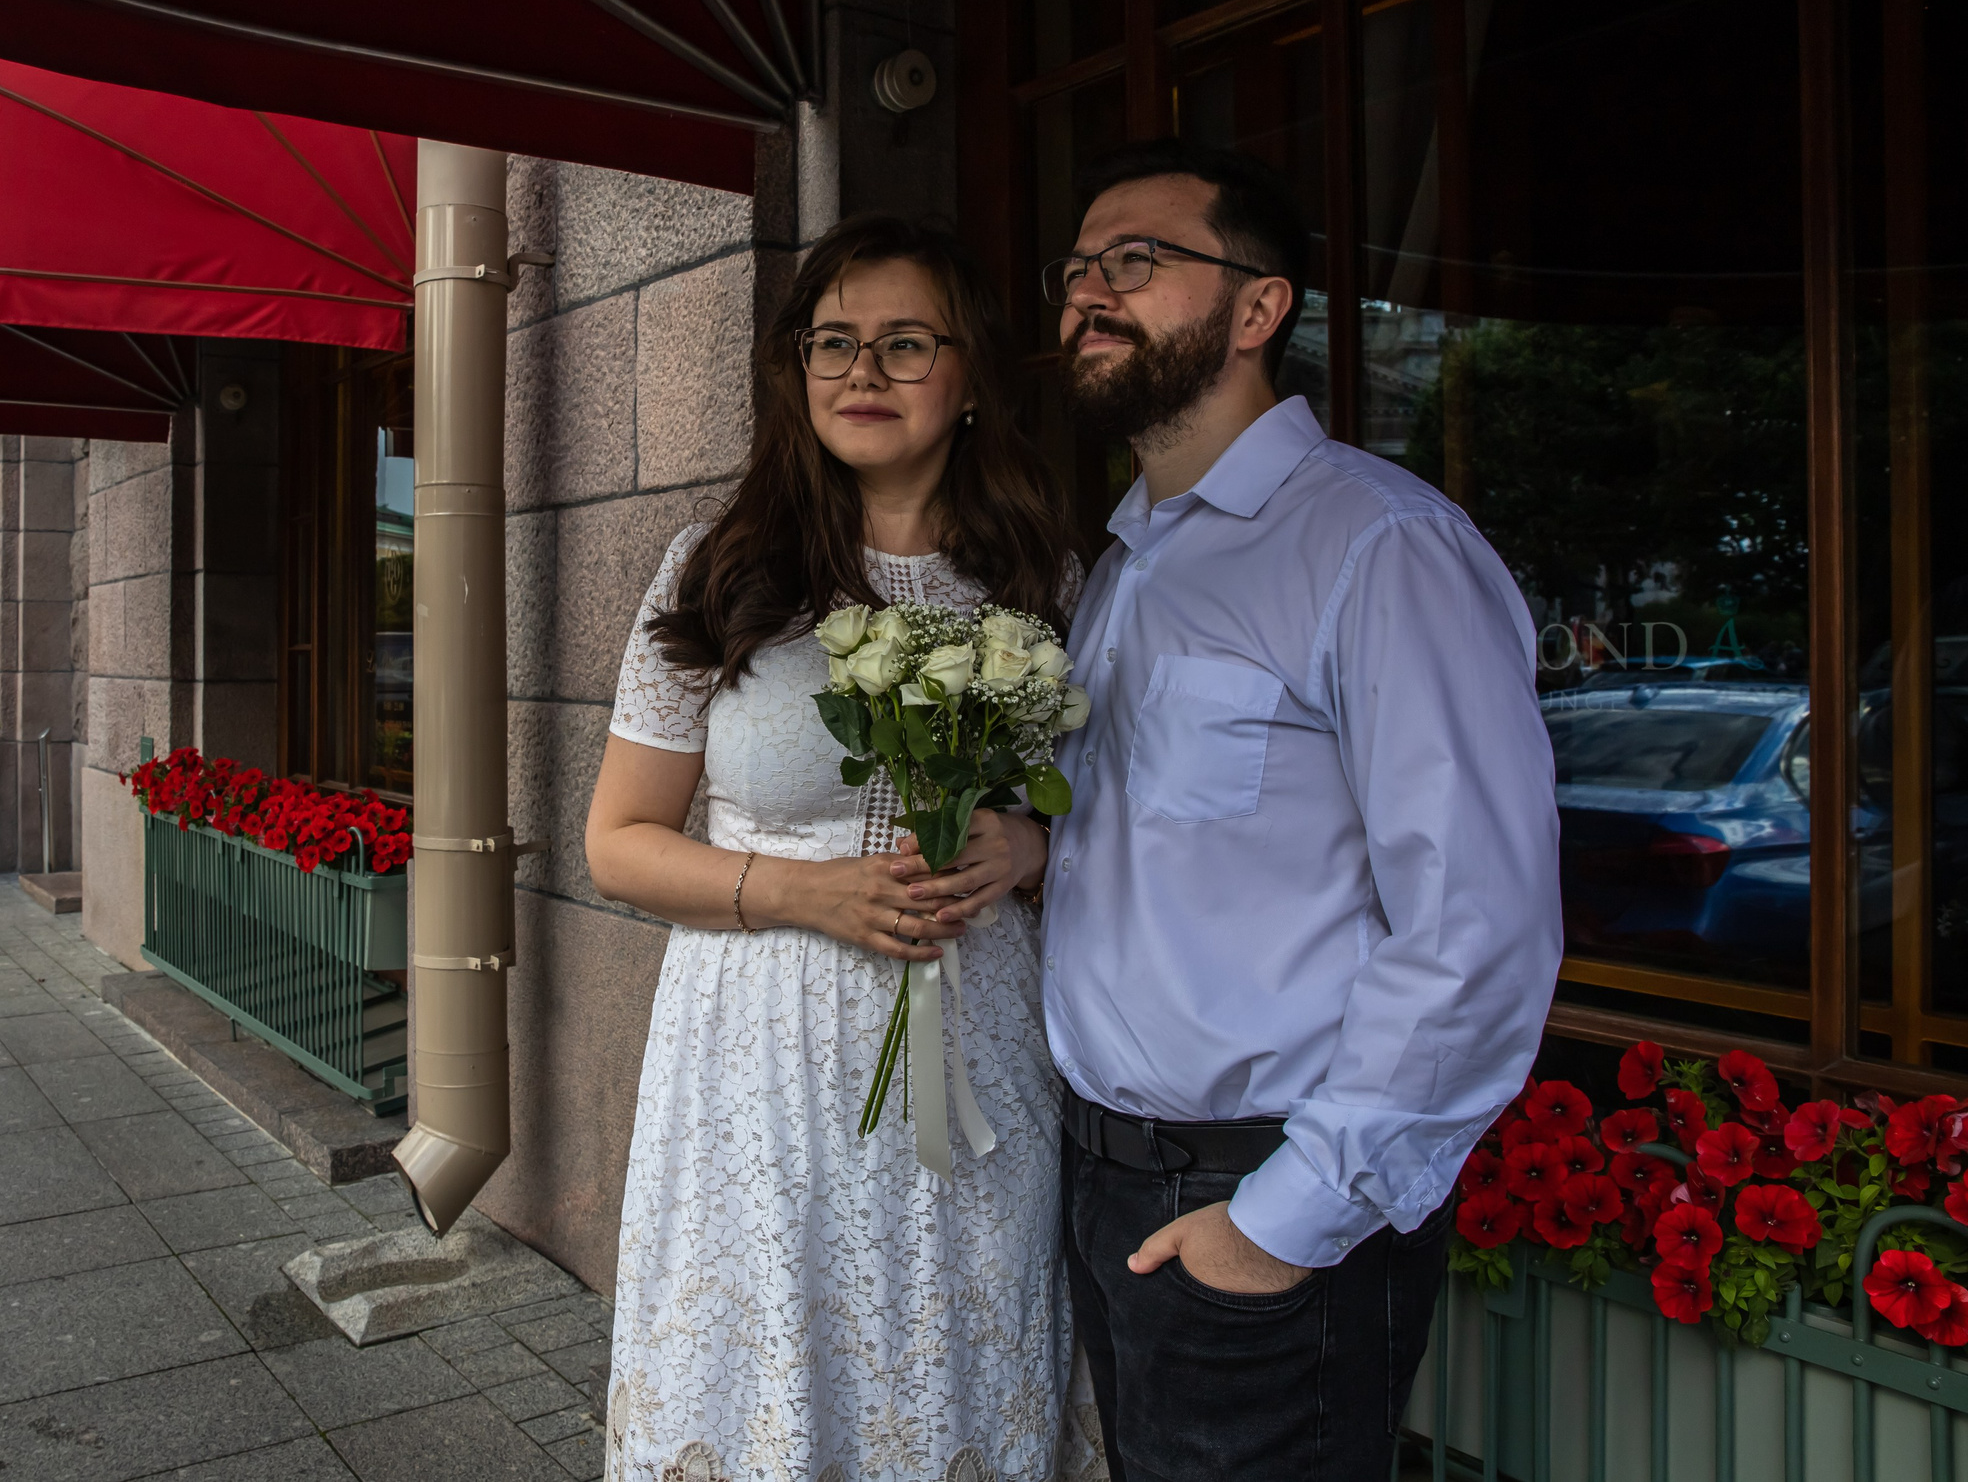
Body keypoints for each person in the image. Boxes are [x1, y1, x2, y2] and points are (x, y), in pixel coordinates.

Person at [1015, 140, 1560, 1479]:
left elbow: (1480, 925)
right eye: (1077, 267)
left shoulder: (1380, 547)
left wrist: (1289, 1214)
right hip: (1108, 1183)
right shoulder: (1129, 560)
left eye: (1134, 262)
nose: (1088, 292)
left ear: (1260, 308)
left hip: (1260, 1196)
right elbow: (1175, 846)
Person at [586, 216, 1084, 1481]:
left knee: (960, 1366)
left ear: (968, 374)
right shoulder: (719, 572)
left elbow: (1107, 817)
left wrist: (1027, 850)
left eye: (905, 343)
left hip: (980, 1044)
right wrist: (806, 891)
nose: (863, 372)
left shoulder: (1043, 581)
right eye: (833, 343)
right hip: (760, 1054)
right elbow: (619, 846)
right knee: (773, 1385)